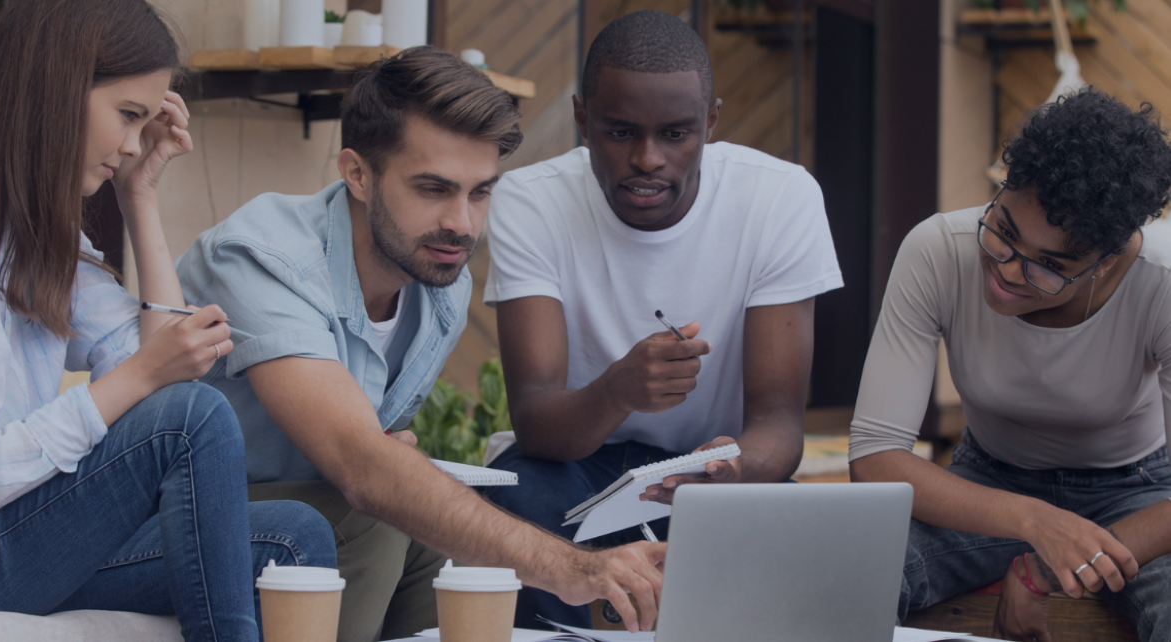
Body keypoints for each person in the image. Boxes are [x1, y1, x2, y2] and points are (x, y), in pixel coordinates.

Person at [174, 46, 665, 642]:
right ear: (357, 173)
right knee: (374, 516)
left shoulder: (438, 279)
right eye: (434, 188)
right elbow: (361, 466)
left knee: (454, 545)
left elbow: (377, 448)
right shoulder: (262, 258)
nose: (461, 222)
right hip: (169, 519)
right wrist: (571, 569)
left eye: (480, 192)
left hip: (290, 506)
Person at [0, 2, 336, 640]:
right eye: (128, 116)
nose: (132, 144)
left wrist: (139, 197)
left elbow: (159, 370)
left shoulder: (37, 229)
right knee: (195, 418)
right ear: (57, 90)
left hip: (13, 539)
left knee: (293, 539)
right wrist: (140, 378)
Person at [481, 10, 844, 628]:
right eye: (620, 132)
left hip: (711, 472)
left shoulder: (781, 197)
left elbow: (779, 429)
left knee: (796, 541)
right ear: (582, 120)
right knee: (507, 505)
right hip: (578, 469)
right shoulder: (531, 200)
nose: (648, 159)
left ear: (710, 122)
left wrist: (732, 472)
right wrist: (619, 389)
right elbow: (538, 424)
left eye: (676, 134)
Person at [848, 88, 1171, 642]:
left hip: (1136, 496)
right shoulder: (937, 251)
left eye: (1051, 265)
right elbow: (876, 457)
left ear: (1108, 259)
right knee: (846, 577)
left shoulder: (1161, 283)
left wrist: (1044, 567)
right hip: (987, 482)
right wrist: (1034, 523)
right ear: (1001, 189)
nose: (1010, 273)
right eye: (1004, 233)